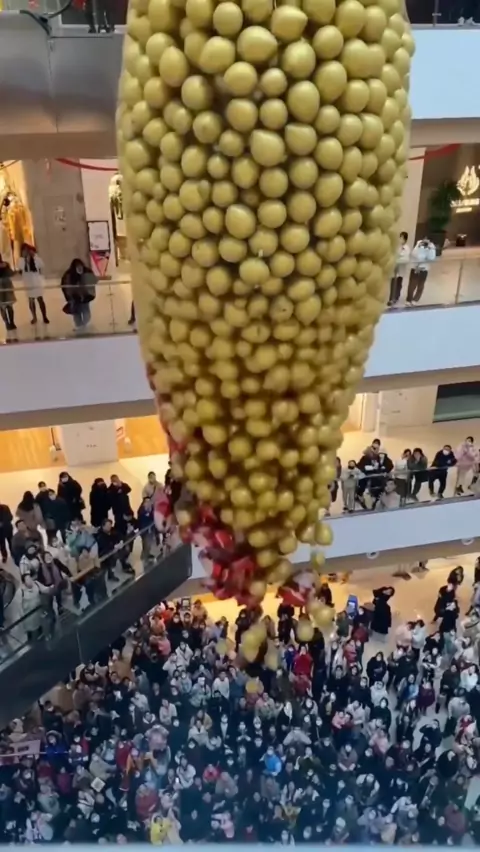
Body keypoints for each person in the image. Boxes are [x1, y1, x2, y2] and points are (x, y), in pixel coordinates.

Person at [61, 258, 97, 330]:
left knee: (85, 312)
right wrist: (69, 297)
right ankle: (80, 326)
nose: (79, 268)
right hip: (75, 297)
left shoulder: (87, 272)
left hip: (85, 296)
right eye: (77, 267)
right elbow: (65, 286)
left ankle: (82, 325)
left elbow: (93, 281)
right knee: (77, 313)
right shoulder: (69, 274)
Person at [18, 243, 49, 324]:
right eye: (24, 250)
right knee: (31, 300)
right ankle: (34, 317)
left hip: (36, 281)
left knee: (40, 299)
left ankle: (44, 316)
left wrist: (34, 256)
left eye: (26, 250)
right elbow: (21, 268)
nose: (25, 252)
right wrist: (25, 260)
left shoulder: (36, 258)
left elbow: (41, 265)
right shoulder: (21, 260)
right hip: (28, 282)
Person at [406, 238, 436, 305]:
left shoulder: (431, 246)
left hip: (424, 268)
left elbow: (431, 258)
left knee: (420, 285)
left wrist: (429, 249)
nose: (425, 241)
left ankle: (416, 299)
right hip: (415, 267)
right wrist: (420, 247)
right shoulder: (419, 243)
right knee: (412, 284)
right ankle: (409, 299)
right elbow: (414, 254)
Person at [388, 230, 410, 306]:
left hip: (400, 269)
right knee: (393, 283)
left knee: (398, 284)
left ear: (405, 239)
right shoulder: (397, 247)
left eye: (402, 238)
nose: (400, 239)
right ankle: (391, 298)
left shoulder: (406, 248)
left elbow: (405, 258)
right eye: (400, 237)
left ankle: (396, 297)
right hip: (394, 269)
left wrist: (397, 259)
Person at [0, 254, 16, 331]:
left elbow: (11, 273)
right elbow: (12, 273)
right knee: (4, 306)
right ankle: (8, 323)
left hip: (6, 285)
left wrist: (6, 267)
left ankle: (10, 323)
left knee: (7, 306)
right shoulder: (5, 264)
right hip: (5, 285)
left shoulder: (5, 264)